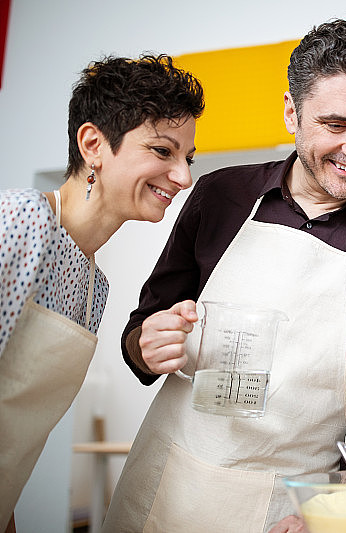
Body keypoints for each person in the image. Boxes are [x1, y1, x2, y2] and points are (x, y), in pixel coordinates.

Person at [104, 18, 346, 533]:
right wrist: (142, 347)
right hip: (170, 483)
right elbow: (143, 325)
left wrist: (338, 507)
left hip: (292, 503)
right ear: (290, 113)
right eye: (335, 124)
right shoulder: (220, 196)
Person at [0, 54, 203, 532]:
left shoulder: (95, 284)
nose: (183, 177)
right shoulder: (21, 221)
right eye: (162, 151)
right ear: (94, 144)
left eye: (186, 158)